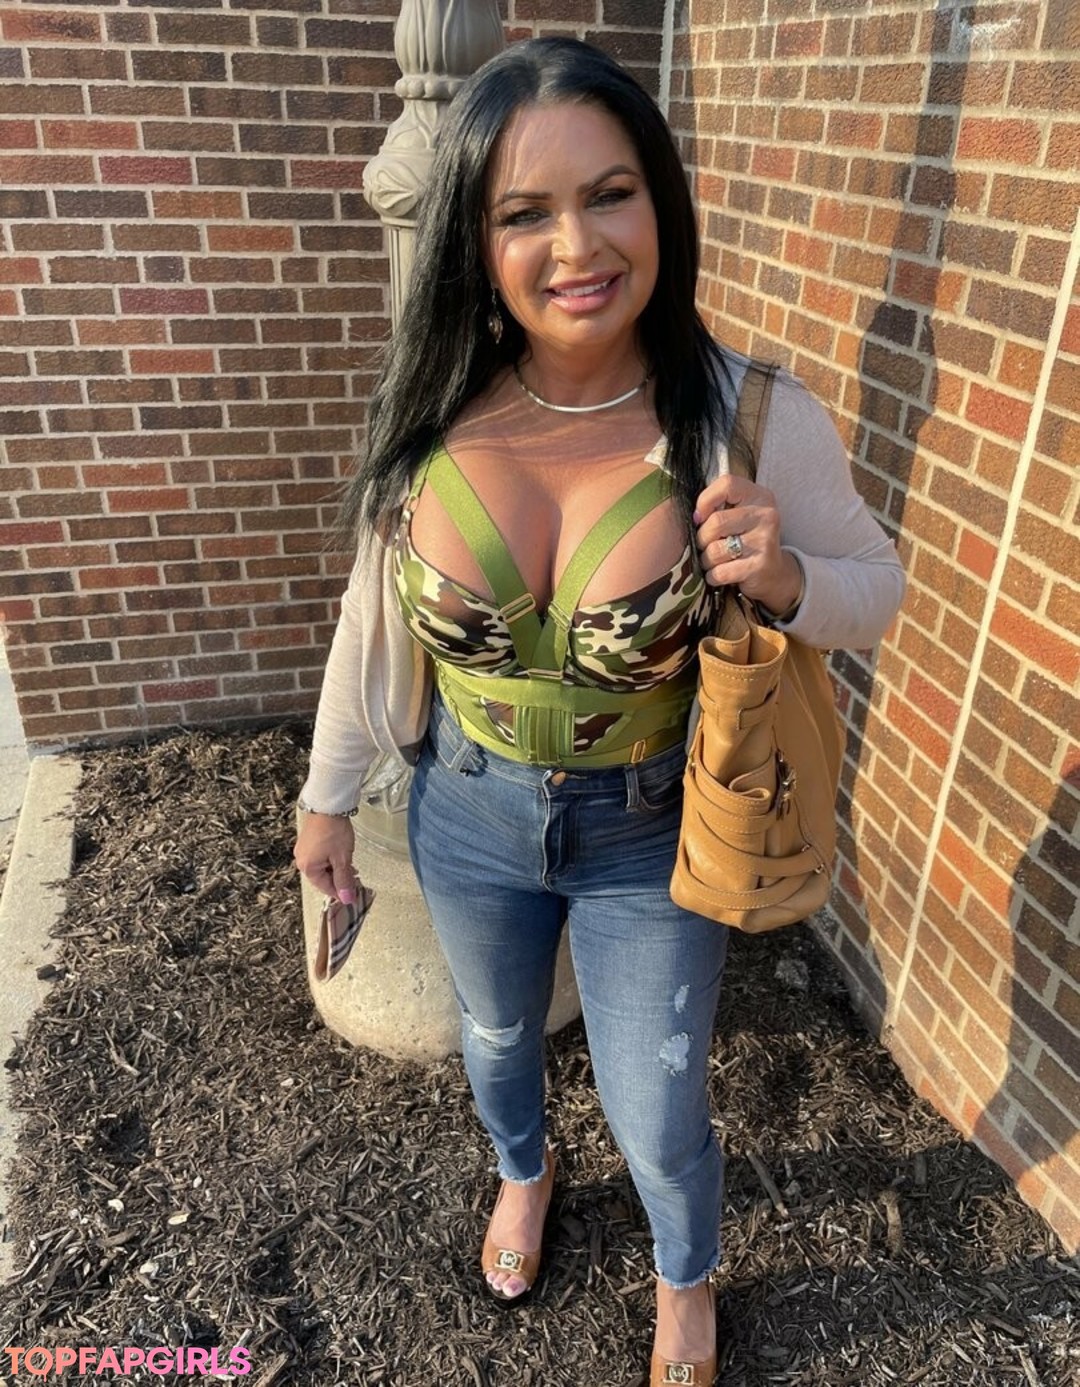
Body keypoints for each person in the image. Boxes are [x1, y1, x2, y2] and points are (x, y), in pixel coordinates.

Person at [294, 36, 905, 1386]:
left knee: (660, 1101)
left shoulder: (748, 416)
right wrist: (325, 802)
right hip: (465, 809)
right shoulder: (433, 412)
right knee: (496, 1042)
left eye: (610, 193)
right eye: (525, 211)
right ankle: (525, 1172)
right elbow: (367, 624)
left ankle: (685, 1276)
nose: (576, 245)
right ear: (478, 241)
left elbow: (879, 591)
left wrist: (787, 577)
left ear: (660, 203)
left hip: (651, 831)